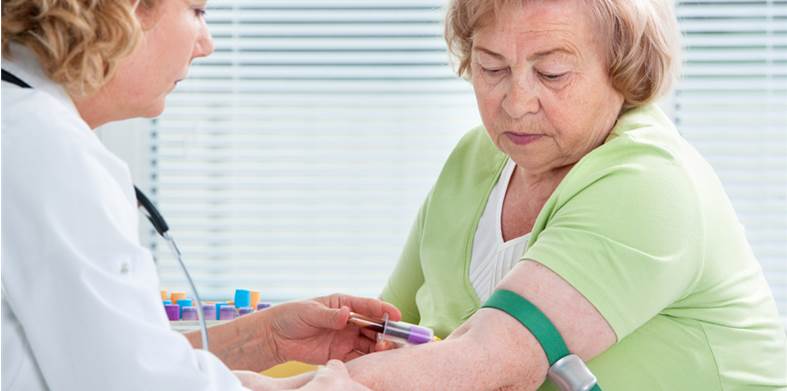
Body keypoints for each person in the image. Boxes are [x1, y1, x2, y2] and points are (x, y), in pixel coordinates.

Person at [345, 0, 787, 389]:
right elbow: (383, 328)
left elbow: (492, 364)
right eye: (491, 67)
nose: (516, 103)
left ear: (623, 68)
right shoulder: (473, 159)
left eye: (552, 73)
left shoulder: (651, 181)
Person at [1, 1, 398, 390]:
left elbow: (106, 357)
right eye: (197, 11)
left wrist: (268, 339)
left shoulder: (24, 125)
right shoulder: (47, 151)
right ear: (127, 9)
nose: (207, 44)